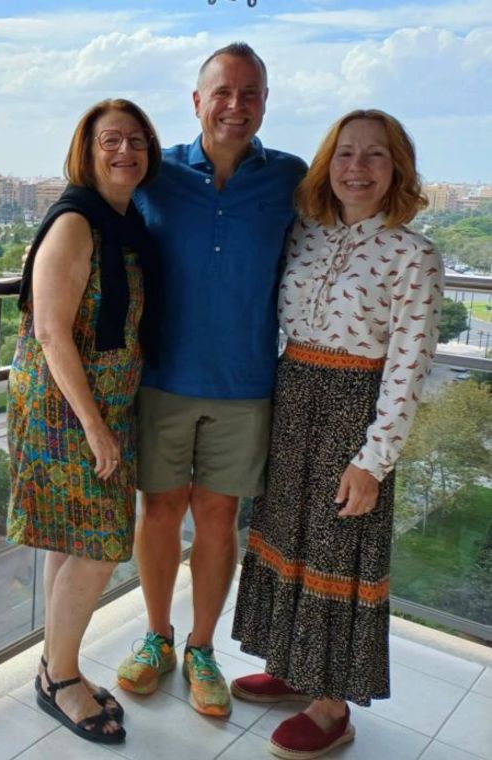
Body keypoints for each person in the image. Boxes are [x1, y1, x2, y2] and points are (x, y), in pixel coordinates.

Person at [230, 109, 442, 759]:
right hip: (293, 398)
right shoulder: (306, 235)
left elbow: (409, 369)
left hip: (355, 412)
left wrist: (373, 463)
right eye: (346, 154)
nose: (358, 168)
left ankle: (331, 705)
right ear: (328, 164)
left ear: (397, 170)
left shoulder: (415, 257)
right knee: (286, 538)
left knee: (337, 551)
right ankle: (294, 668)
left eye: (375, 156)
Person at [115, 42, 307, 719]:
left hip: (246, 380)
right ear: (196, 101)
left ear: (265, 103)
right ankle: (156, 637)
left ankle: (202, 650)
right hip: (162, 374)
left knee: (219, 518)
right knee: (160, 510)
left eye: (250, 93)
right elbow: (101, 227)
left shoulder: (289, 177)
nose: (236, 105)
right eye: (222, 92)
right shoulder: (154, 172)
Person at [7, 98, 162, 744]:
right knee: (100, 543)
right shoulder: (76, 221)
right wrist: (98, 428)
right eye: (110, 141)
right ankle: (59, 678)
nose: (124, 151)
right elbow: (49, 330)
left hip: (98, 405)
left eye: (135, 141)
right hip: (65, 409)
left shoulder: (123, 223)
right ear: (87, 150)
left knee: (74, 540)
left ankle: (56, 665)